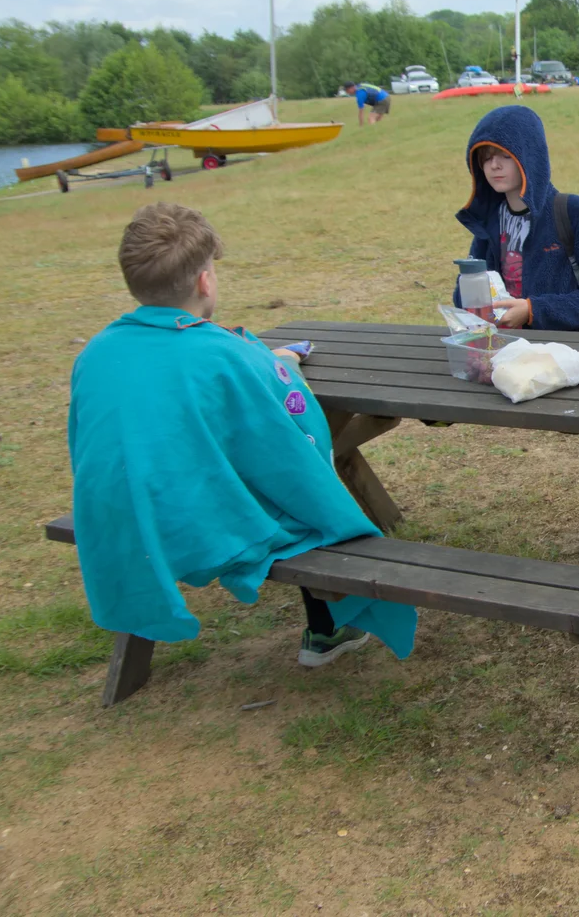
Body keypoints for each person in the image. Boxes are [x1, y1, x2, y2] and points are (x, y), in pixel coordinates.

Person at [69, 202, 417, 667]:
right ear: (204, 280)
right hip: (187, 521)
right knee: (307, 505)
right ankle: (329, 626)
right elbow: (292, 439)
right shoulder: (225, 354)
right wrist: (281, 367)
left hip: (118, 510)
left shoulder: (98, 350)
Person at [452, 104, 579, 330]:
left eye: (505, 155)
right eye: (485, 158)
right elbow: (464, 299)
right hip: (511, 350)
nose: (494, 165)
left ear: (529, 156)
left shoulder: (573, 211)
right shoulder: (490, 220)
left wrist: (533, 310)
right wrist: (470, 291)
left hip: (571, 352)